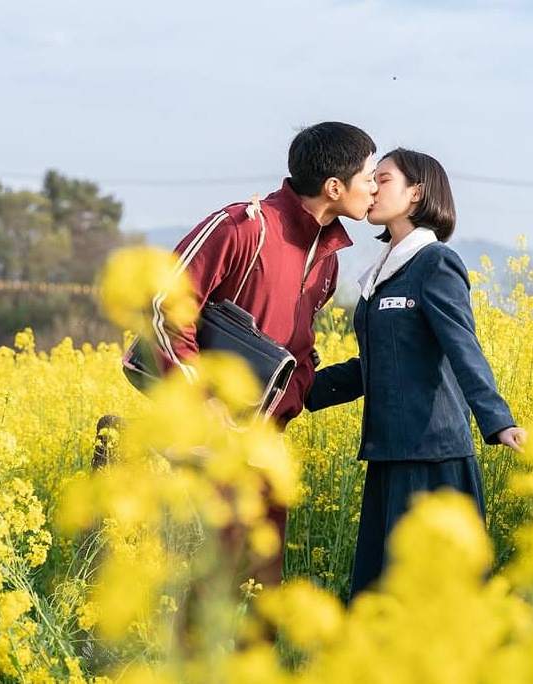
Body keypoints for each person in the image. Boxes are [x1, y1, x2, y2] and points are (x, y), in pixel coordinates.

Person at [142, 121, 377, 596]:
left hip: (265, 447)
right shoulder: (242, 226)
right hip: (204, 444)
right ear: (335, 187)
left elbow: (296, 346)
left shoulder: (328, 262)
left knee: (260, 593)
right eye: (370, 175)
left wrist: (305, 386)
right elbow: (164, 308)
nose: (375, 187)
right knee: (200, 592)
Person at [304, 148, 528, 603]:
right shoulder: (380, 273)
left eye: (382, 179)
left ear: (415, 194)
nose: (370, 188)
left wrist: (498, 419)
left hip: (434, 456)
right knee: (382, 595)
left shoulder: (434, 263)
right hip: (389, 456)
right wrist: (300, 389)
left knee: (439, 597)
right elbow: (377, 365)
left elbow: (463, 347)